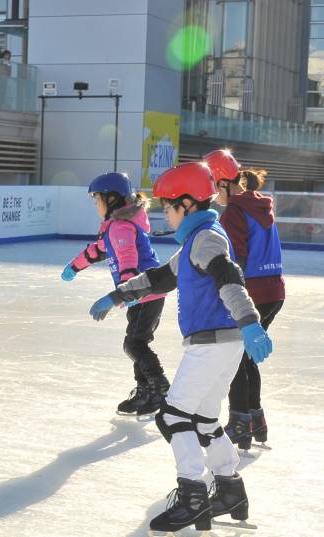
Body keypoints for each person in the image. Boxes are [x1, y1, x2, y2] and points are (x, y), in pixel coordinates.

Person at [89, 162, 273, 534]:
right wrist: (117, 295)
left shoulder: (206, 238)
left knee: (172, 416)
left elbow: (229, 278)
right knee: (204, 421)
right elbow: (161, 277)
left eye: (168, 208)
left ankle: (192, 496)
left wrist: (251, 321)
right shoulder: (200, 237)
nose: (165, 216)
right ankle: (230, 490)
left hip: (210, 343)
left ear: (187, 205)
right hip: (224, 344)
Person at [62, 172, 169, 415]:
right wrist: (75, 266)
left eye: (97, 198)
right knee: (137, 342)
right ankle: (146, 392)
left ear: (112, 199)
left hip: (144, 294)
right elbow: (97, 251)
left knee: (134, 344)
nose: (95, 203)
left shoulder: (121, 228)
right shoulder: (115, 227)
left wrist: (125, 293)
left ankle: (160, 388)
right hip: (140, 295)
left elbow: (128, 261)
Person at [206, 149, 285, 450]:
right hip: (274, 290)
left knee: (235, 358)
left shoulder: (235, 211)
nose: (214, 194)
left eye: (214, 186)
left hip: (252, 292)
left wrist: (221, 287)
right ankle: (255, 419)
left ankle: (240, 422)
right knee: (247, 356)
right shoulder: (260, 205)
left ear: (225, 183)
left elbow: (236, 256)